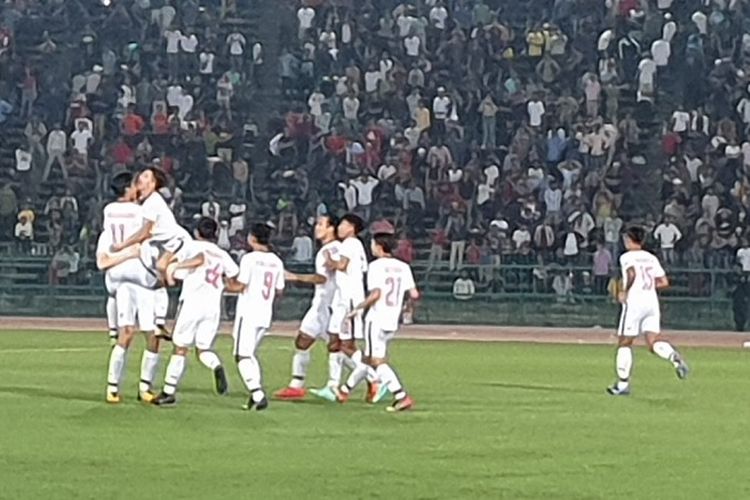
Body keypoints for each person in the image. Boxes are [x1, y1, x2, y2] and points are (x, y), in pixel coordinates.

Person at [153, 218, 240, 406]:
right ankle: (216, 365)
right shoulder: (222, 254)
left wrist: (171, 268)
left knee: (180, 348)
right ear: (215, 234)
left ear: (197, 232)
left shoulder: (190, 246)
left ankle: (168, 391)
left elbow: (179, 265)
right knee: (203, 349)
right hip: (213, 306)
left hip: (192, 303)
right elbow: (233, 277)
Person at [97, 172, 162, 404]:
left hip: (119, 273)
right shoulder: (141, 210)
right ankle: (145, 387)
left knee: (126, 334)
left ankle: (112, 388)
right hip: (138, 270)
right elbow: (149, 231)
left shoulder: (108, 210)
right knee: (153, 333)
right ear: (128, 188)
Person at [607, 226, 689, 396]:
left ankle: (622, 384)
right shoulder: (651, 258)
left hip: (635, 302)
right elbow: (664, 281)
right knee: (652, 342)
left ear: (630, 239)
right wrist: (649, 287)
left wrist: (625, 291)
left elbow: (631, 273)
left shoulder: (627, 257)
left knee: (625, 342)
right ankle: (673, 356)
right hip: (651, 302)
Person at [342, 233, 419, 412]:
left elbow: (376, 294)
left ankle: (400, 395)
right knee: (369, 358)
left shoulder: (375, 266)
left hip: (376, 318)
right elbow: (414, 294)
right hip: (393, 318)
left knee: (377, 361)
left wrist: (358, 308)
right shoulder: (403, 266)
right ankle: (345, 390)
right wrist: (408, 309)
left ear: (378, 246)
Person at [310, 213, 379, 403]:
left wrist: (328, 260)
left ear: (351, 227)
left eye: (343, 224)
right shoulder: (355, 246)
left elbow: (341, 265)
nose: (339, 227)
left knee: (347, 345)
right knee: (333, 341)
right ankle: (332, 385)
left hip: (349, 299)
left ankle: (375, 378)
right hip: (341, 299)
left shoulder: (350, 244)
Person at [274, 215, 338, 400]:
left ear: (331, 228)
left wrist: (295, 277)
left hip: (328, 305)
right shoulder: (333, 249)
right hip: (322, 304)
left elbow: (322, 278)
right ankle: (296, 385)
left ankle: (376, 378)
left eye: (321, 224)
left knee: (341, 348)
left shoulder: (330, 249)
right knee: (303, 340)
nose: (316, 228)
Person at [225, 223, 285, 411]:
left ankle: (258, 394)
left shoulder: (249, 259)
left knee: (242, 355)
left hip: (248, 312)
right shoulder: (276, 260)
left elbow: (240, 286)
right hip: (265, 313)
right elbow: (280, 289)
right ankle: (254, 394)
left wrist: (224, 283)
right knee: (250, 354)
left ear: (252, 238)